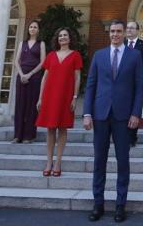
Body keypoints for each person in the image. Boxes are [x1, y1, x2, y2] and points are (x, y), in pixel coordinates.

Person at [83, 20, 143, 223]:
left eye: (119, 31)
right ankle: (98, 204)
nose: (115, 34)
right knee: (99, 161)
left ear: (125, 34)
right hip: (100, 115)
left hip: (124, 116)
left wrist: (136, 113)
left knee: (123, 161)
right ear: (109, 33)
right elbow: (90, 85)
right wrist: (86, 113)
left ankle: (120, 205)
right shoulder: (99, 55)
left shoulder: (134, 56)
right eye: (112, 31)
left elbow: (139, 88)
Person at [37, 27, 84, 176]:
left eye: (65, 35)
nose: (62, 38)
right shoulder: (51, 55)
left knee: (62, 129)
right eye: (60, 36)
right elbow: (44, 77)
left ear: (70, 39)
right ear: (57, 39)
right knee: (50, 129)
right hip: (50, 96)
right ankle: (48, 162)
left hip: (65, 97)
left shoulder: (76, 55)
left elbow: (77, 78)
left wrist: (75, 97)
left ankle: (58, 163)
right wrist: (40, 98)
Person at [14, 19, 46, 143]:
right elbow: (16, 61)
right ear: (28, 29)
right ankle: (17, 135)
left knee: (31, 106)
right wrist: (22, 74)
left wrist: (30, 74)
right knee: (20, 105)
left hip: (35, 76)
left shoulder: (41, 43)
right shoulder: (22, 43)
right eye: (31, 27)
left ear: (38, 30)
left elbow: (43, 62)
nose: (32, 29)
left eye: (35, 27)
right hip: (21, 76)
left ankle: (29, 135)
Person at [125, 20, 143, 148]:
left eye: (131, 28)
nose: (129, 30)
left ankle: (132, 137)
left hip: (138, 82)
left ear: (137, 30)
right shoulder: (121, 43)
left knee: (135, 109)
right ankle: (122, 135)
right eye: (127, 28)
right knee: (124, 109)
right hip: (122, 83)